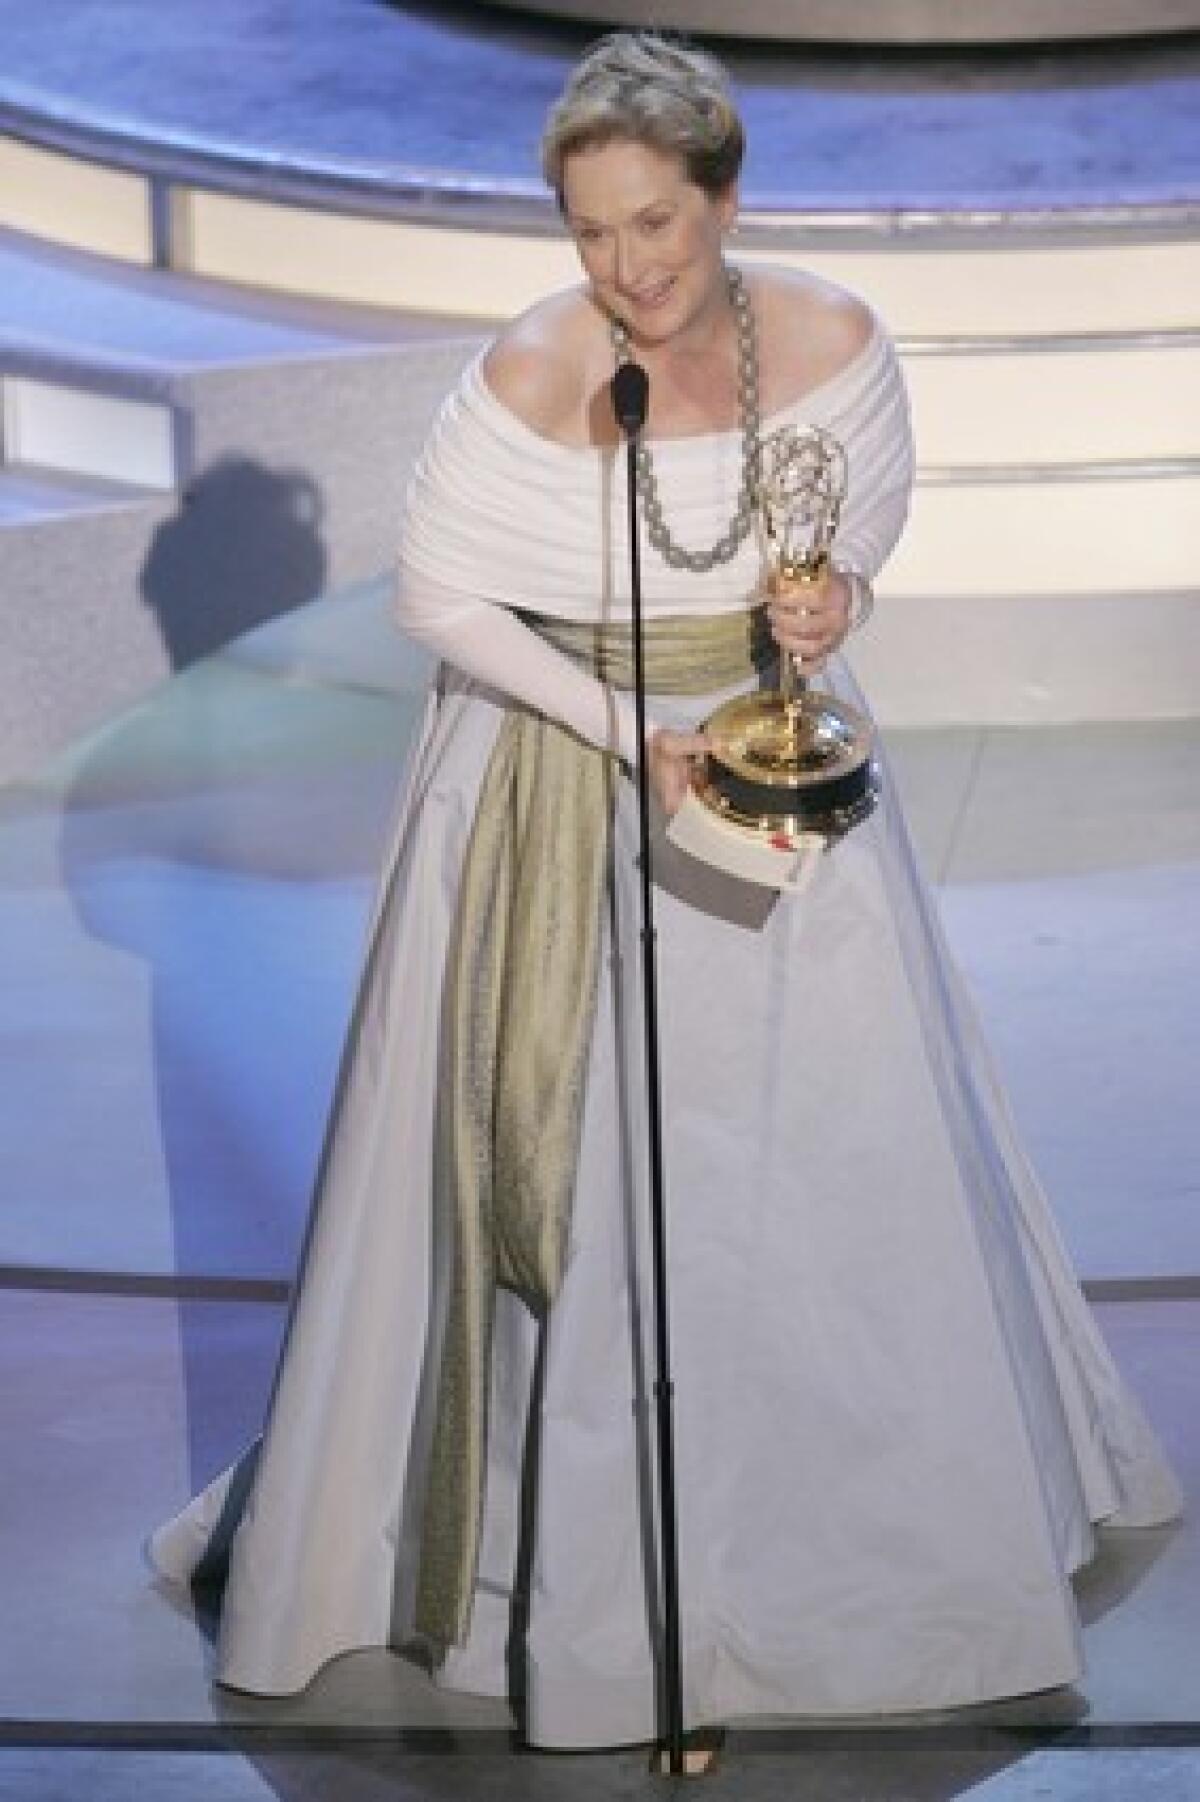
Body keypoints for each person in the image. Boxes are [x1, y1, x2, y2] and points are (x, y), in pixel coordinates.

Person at [150, 31, 1181, 1750]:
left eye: (657, 229)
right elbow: (437, 598)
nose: (626, 271)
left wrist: (835, 593)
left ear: (726, 198)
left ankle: (850, 1547)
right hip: (573, 777)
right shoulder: (531, 377)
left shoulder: (837, 340)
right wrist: (627, 726)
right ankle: (590, 1582)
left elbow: (868, 503)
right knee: (621, 1177)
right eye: (591, 233)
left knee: (828, 1152)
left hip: (786, 783)